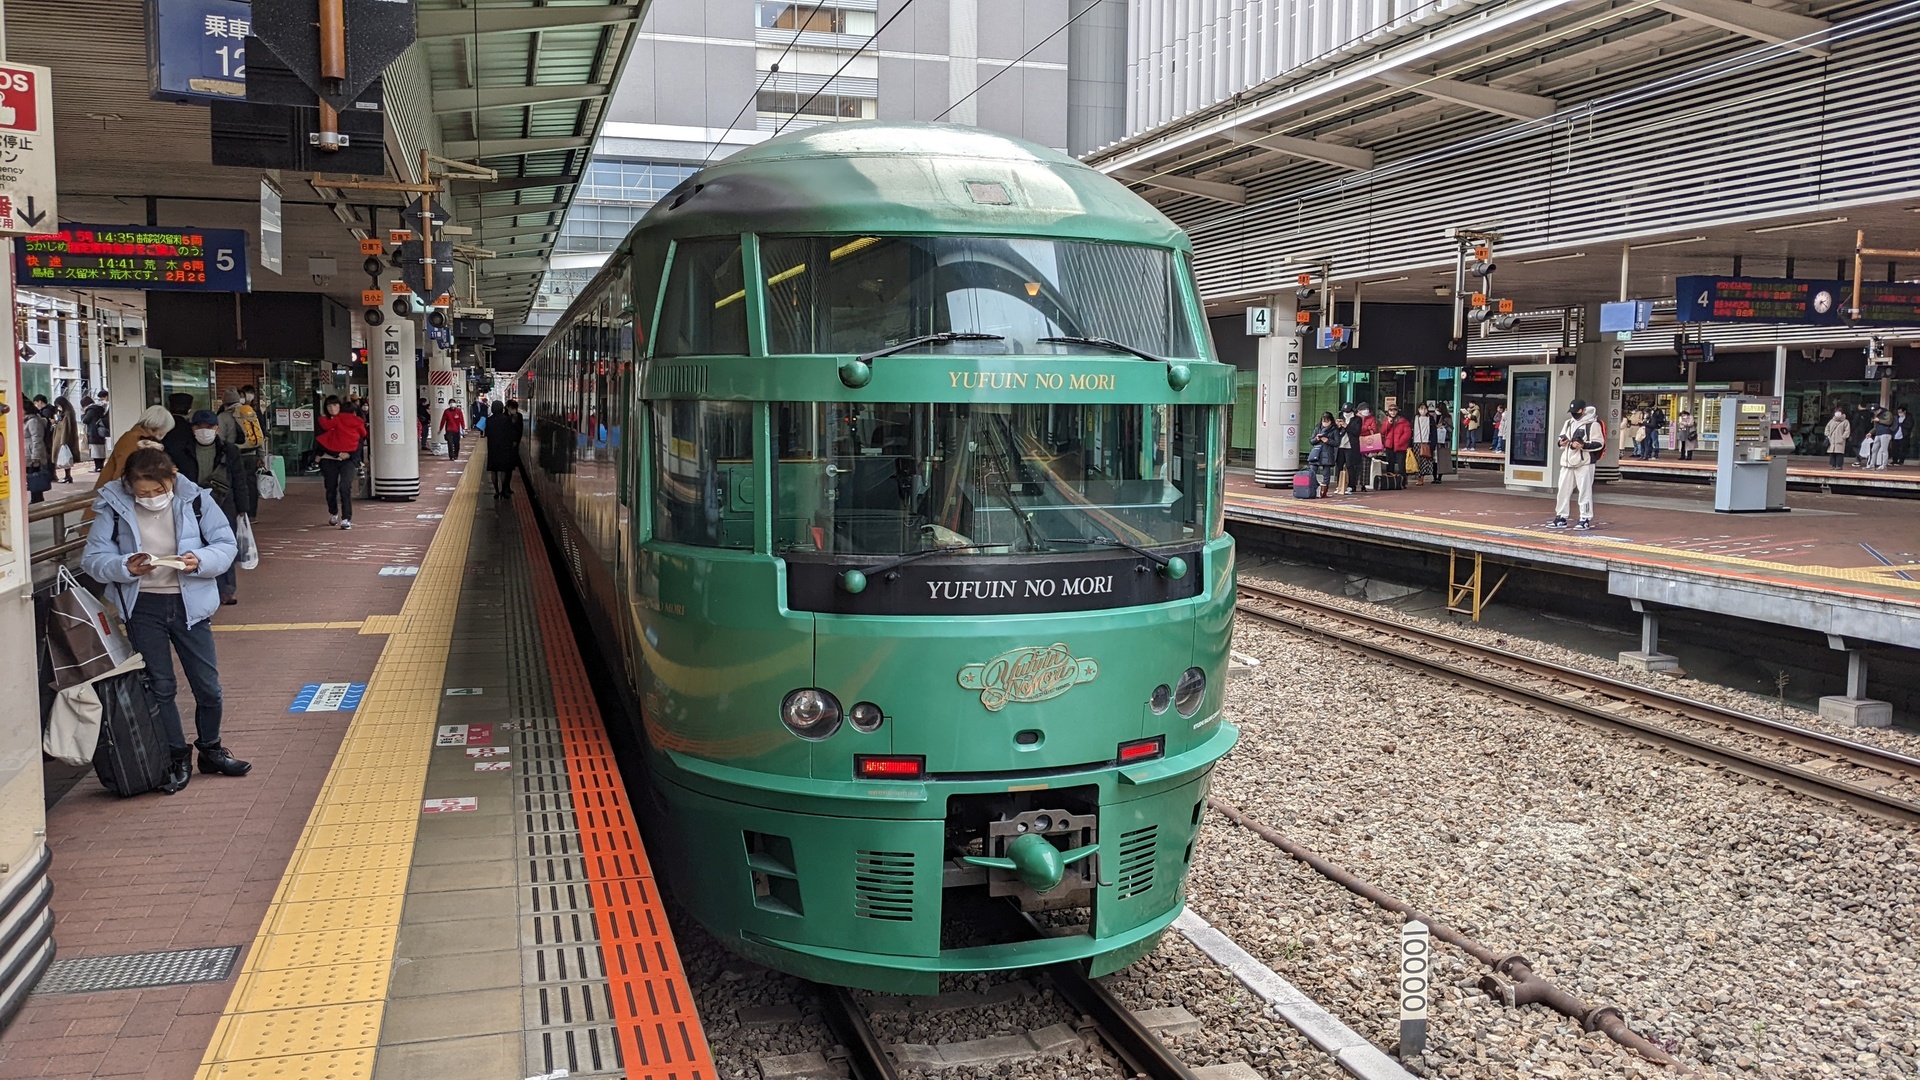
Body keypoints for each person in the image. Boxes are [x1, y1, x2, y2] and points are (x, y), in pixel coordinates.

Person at [80, 447, 248, 793]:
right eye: (143, 493)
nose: (152, 498)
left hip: (191, 606)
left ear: (172, 478)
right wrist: (125, 566)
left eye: (159, 491)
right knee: (161, 687)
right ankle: (176, 756)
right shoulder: (112, 507)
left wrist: (197, 560)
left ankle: (212, 750)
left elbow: (225, 543)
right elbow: (93, 558)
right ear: (129, 485)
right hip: (142, 607)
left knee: (208, 687)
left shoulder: (196, 500)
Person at [181, 410, 249, 606]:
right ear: (192, 429)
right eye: (199, 427)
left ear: (217, 429)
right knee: (196, 546)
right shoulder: (183, 451)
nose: (204, 431)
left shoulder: (229, 450)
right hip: (192, 507)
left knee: (224, 545)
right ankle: (200, 589)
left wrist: (243, 508)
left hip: (223, 505)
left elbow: (240, 480)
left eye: (209, 427)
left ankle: (227, 589)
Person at [314, 395, 367, 529]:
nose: (332, 408)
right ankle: (333, 512)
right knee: (330, 488)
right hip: (328, 459)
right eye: (329, 406)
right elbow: (320, 441)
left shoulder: (349, 421)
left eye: (335, 405)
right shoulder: (323, 422)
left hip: (347, 460)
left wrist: (349, 455)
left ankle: (346, 518)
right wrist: (337, 453)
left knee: (345, 486)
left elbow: (359, 441)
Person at [1550, 401, 1604, 530]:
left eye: (1577, 412)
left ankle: (1585, 518)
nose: (1574, 414)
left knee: (1584, 491)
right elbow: (1560, 441)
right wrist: (1562, 443)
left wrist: (1583, 445)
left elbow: (1599, 443)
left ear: (1583, 410)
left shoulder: (1593, 424)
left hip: (1584, 463)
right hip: (1567, 463)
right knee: (1563, 491)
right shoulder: (1568, 423)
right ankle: (1561, 516)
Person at [217, 387, 266, 523]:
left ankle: (238, 512)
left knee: (235, 483)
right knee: (250, 484)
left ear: (225, 402)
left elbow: (220, 438)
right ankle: (252, 514)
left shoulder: (223, 417)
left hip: (233, 454)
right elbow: (258, 435)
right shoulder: (249, 413)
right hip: (251, 454)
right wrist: (261, 455)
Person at [98, 406, 178, 489]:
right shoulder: (133, 440)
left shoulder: (135, 437)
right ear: (158, 428)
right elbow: (122, 472)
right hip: (115, 493)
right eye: (164, 432)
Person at [486, 399, 524, 497]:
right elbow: (511, 434)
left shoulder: (488, 420)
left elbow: (484, 432)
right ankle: (503, 490)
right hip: (504, 448)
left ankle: (496, 491)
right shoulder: (507, 419)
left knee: (493, 470)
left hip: (492, 448)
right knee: (503, 469)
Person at [22, 400, 51, 504]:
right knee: (31, 476)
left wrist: (35, 456)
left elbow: (37, 439)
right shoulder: (25, 421)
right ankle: (36, 498)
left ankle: (37, 498)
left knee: (35, 476)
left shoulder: (33, 421)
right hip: (28, 453)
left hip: (33, 454)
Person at [1380, 403, 1413, 488]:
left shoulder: (1403, 421)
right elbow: (1383, 432)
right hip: (1389, 445)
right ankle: (1390, 482)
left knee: (1401, 465)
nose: (1393, 412)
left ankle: (1403, 482)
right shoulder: (1386, 420)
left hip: (1400, 446)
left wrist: (1399, 442)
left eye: (1394, 410)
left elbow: (1407, 434)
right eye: (1391, 410)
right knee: (1389, 464)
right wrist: (1389, 423)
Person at [51, 396, 80, 483]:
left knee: (65, 459)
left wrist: (63, 441)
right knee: (64, 459)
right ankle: (67, 476)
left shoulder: (67, 414)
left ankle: (68, 476)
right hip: (61, 439)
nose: (58, 407)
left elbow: (66, 428)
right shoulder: (65, 413)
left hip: (63, 440)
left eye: (59, 405)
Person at [1307, 412, 1337, 495]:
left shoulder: (1334, 430)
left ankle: (1324, 489)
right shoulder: (1318, 428)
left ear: (1331, 421)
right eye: (1324, 421)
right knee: (1312, 471)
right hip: (1317, 453)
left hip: (1327, 453)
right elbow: (1311, 441)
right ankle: (1313, 486)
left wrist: (1328, 441)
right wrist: (1317, 439)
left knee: (1326, 473)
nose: (1325, 423)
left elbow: (1337, 443)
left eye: (1327, 421)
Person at [83, 392, 110, 473]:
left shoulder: (91, 410)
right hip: (101, 432)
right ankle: (101, 467)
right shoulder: (100, 408)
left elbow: (85, 420)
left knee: (95, 451)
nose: (102, 401)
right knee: (101, 451)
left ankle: (98, 467)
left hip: (93, 432)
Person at [1425, 404, 1451, 484]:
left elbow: (1451, 429)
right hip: (1434, 440)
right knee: (1434, 460)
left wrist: (1444, 425)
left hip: (1443, 441)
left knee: (1441, 460)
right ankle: (1434, 477)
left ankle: (1439, 477)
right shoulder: (1433, 417)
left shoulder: (1448, 417)